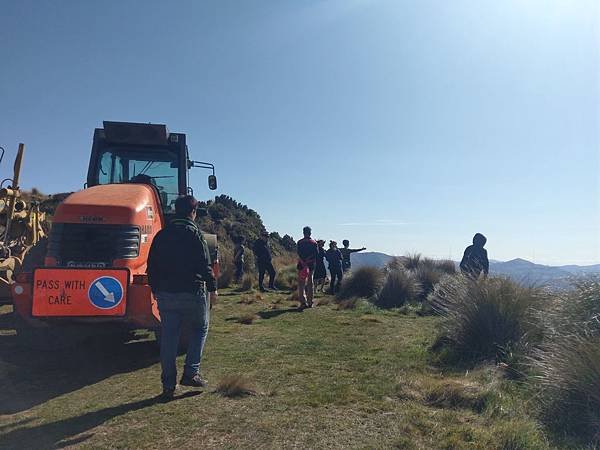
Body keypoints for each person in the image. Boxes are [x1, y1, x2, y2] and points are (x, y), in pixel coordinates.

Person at [147, 195, 217, 401]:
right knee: (200, 328)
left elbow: (151, 264)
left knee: (169, 336)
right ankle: (191, 372)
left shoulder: (162, 235)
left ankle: (168, 384)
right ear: (193, 212)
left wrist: (155, 288)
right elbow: (205, 265)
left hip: (165, 293)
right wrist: (213, 289)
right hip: (191, 291)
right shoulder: (195, 234)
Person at [296, 226, 318, 308]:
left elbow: (298, 253)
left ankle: (302, 302)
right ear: (310, 233)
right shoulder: (314, 243)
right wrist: (309, 260)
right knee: (310, 282)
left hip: (301, 264)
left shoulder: (300, 242)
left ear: (303, 232)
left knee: (301, 283)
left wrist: (303, 261)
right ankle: (310, 302)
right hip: (310, 264)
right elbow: (316, 254)